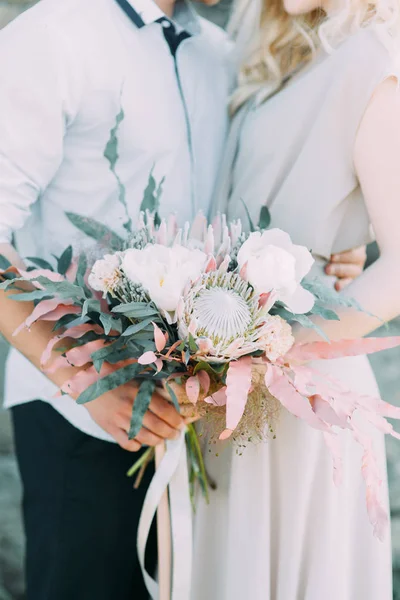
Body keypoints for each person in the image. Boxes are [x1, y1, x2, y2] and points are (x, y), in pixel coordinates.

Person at [0, 0, 367, 598]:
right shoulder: (54, 34)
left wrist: (331, 249)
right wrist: (79, 373)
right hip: (82, 415)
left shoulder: (221, 55)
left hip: (201, 422)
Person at [191, 0, 400, 598]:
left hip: (301, 391)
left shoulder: (374, 58)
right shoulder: (294, 52)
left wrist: (272, 355)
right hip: (233, 387)